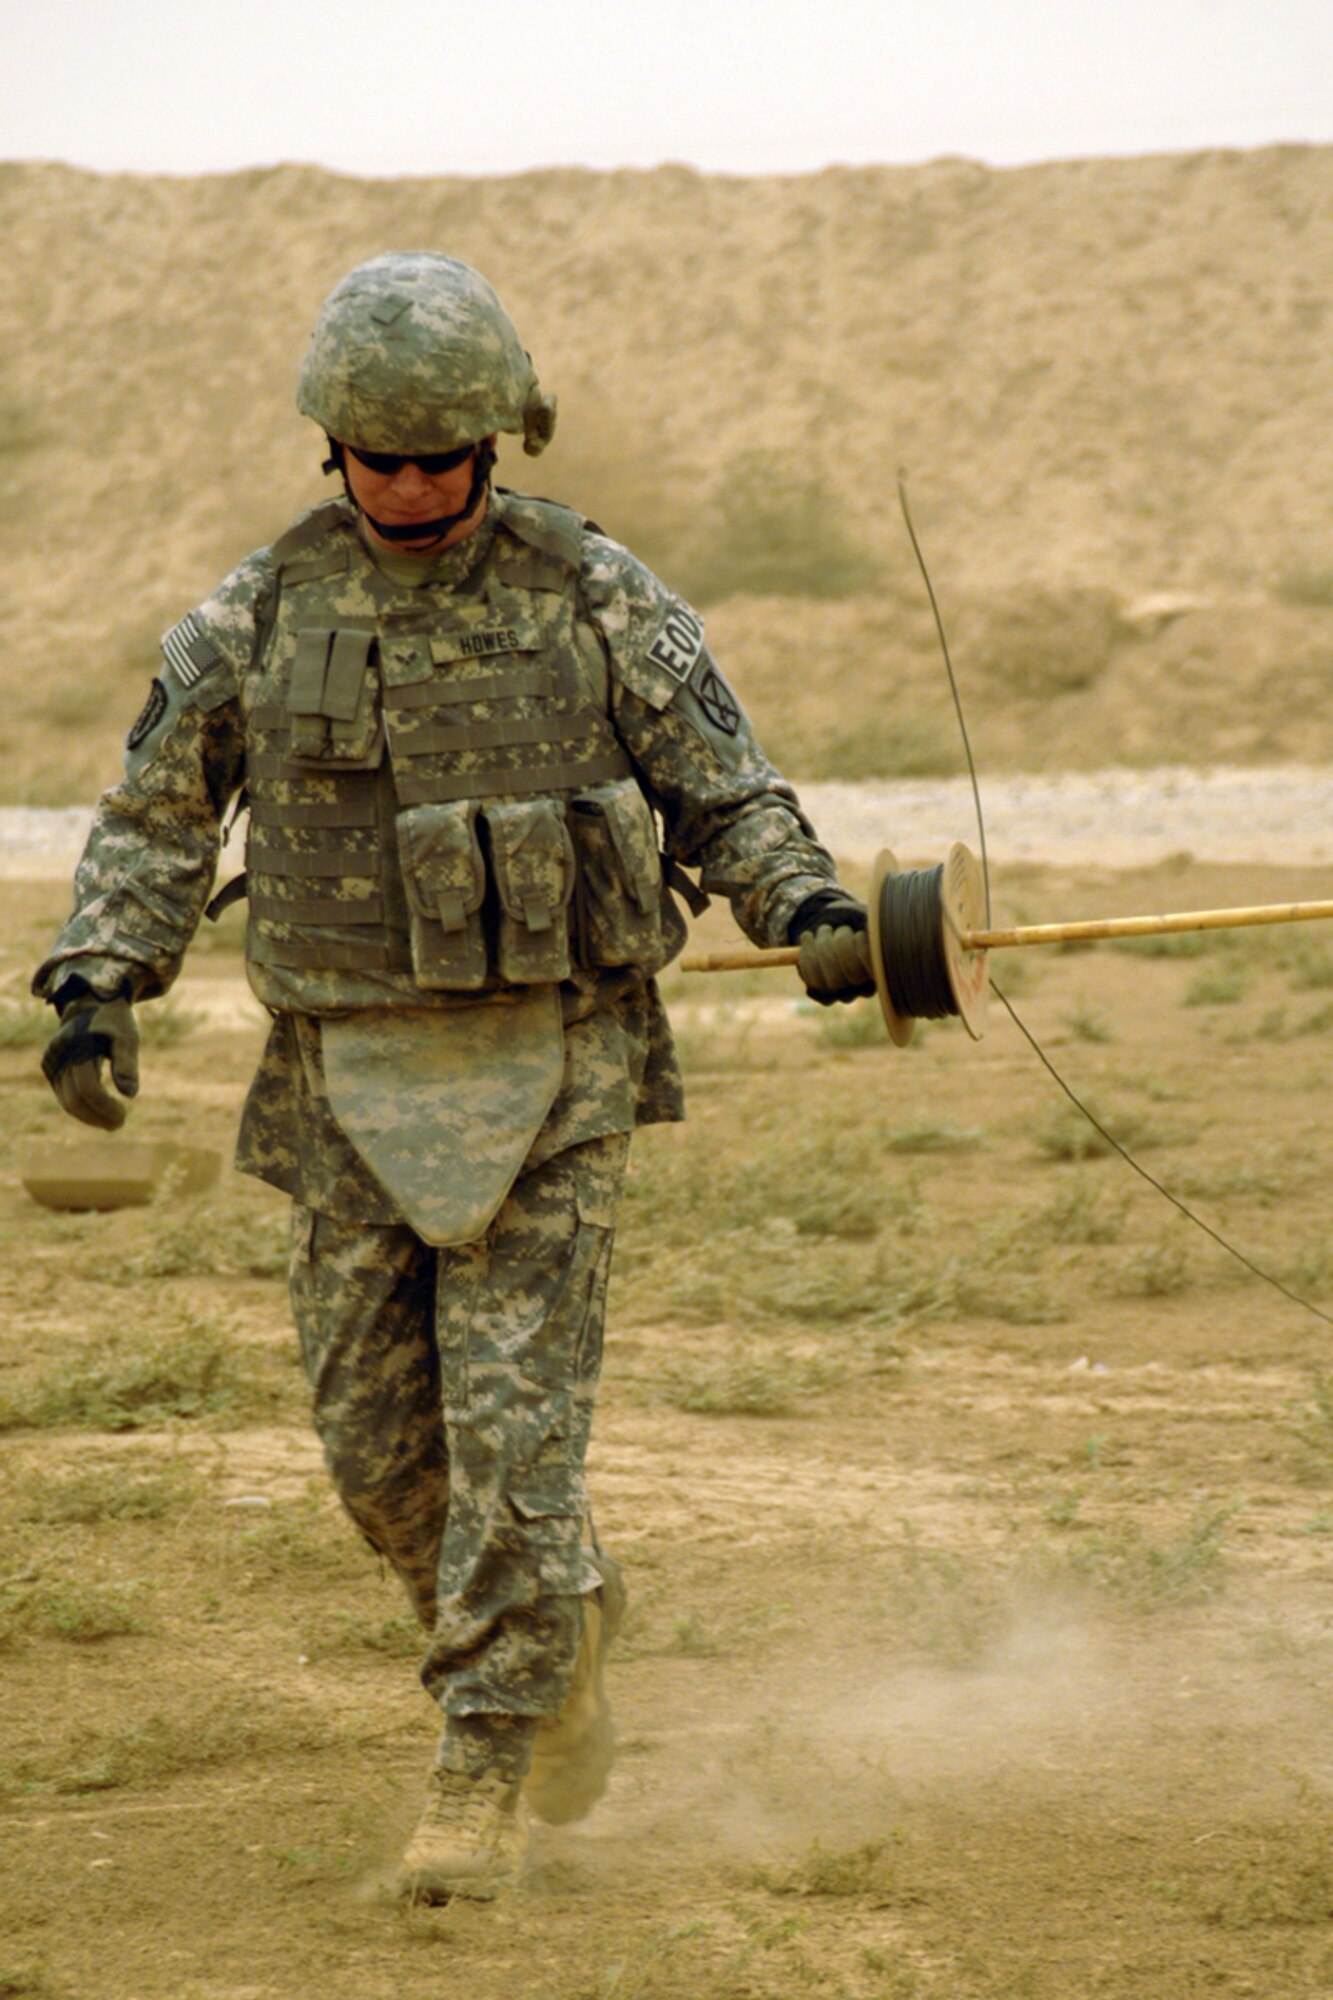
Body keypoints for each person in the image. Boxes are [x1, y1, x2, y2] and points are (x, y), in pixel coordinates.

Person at [33, 252, 877, 1902]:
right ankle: (559, 1623)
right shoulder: (257, 614)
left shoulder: (594, 593)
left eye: (442, 456)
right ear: (329, 445)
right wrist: (99, 983)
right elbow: (153, 818)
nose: (411, 487)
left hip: (554, 1066)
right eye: (379, 456)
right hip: (344, 1079)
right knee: (375, 1455)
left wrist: (812, 904)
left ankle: (481, 1764)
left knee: (512, 1447)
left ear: (499, 442)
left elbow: (724, 783)